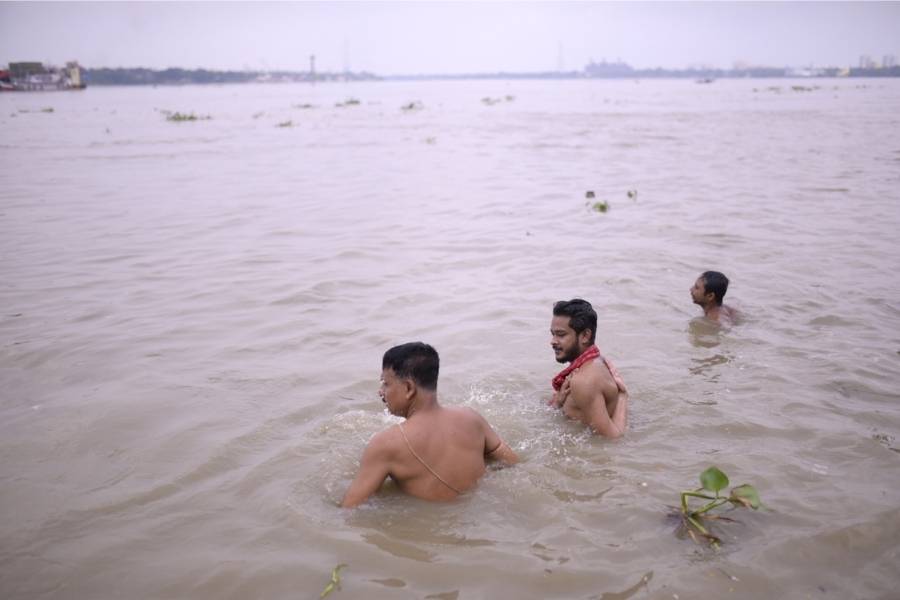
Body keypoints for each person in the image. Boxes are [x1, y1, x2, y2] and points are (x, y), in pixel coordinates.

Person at [341, 342, 518, 508]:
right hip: (479, 514)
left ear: (409, 388)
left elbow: (351, 508)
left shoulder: (386, 444)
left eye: (386, 383)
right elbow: (512, 462)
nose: (381, 392)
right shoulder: (471, 418)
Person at [548, 299, 628, 438]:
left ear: (585, 335)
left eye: (561, 334)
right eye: (552, 334)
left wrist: (623, 397)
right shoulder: (598, 361)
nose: (553, 341)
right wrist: (558, 402)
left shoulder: (584, 380)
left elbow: (612, 439)